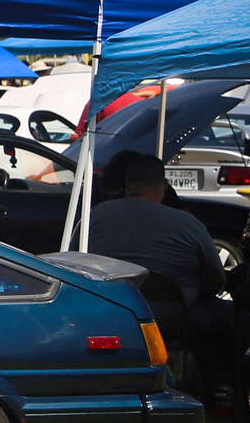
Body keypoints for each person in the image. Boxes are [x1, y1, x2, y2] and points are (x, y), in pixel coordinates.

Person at [89, 154, 232, 396]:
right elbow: (217, 278)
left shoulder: (95, 215)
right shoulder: (188, 223)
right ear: (165, 186)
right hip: (173, 318)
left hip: (108, 311)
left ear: (127, 183)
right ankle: (220, 387)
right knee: (226, 316)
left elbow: (73, 262)